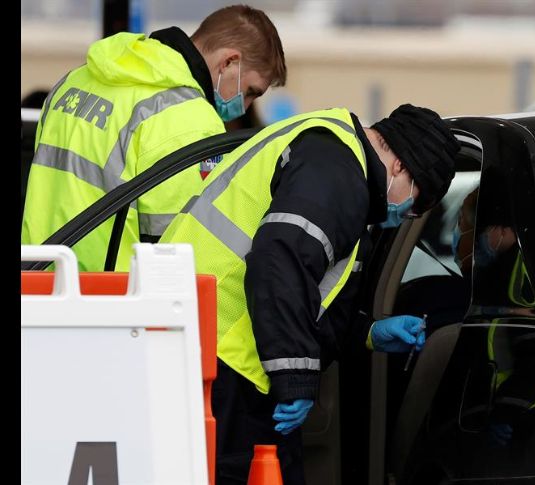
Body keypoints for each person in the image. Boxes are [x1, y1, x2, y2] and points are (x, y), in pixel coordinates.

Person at [159, 103, 460, 484]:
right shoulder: (337, 170)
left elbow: (311, 291)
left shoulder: (334, 160)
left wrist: (367, 333)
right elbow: (280, 261)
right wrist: (297, 375)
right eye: (416, 203)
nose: (407, 214)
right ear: (400, 166)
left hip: (210, 348)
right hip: (218, 357)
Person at [21, 5, 287, 271]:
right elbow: (176, 245)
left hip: (38, 285)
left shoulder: (74, 82)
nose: (246, 105)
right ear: (229, 62)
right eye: (251, 91)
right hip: (109, 298)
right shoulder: (188, 117)